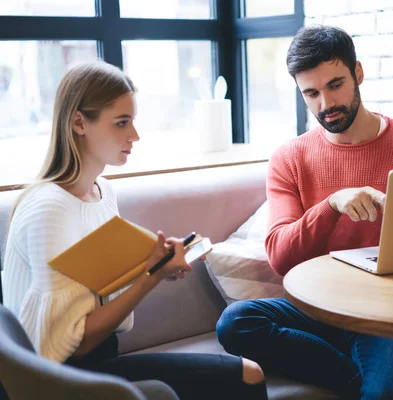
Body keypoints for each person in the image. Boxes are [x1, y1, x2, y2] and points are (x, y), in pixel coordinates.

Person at [1, 61, 267, 400]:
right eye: (121, 123)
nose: (134, 135)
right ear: (79, 123)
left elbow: (99, 284)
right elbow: (73, 344)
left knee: (248, 372)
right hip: (62, 380)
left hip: (98, 359)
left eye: (133, 121)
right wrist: (151, 275)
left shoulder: (102, 191)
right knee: (248, 375)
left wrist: (151, 262)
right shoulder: (49, 209)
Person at [216, 25, 393, 400]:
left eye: (335, 85)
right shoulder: (289, 158)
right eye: (311, 93)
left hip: (390, 313)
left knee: (388, 388)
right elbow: (279, 255)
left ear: (358, 73)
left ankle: (385, 382)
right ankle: (377, 383)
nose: (325, 104)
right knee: (236, 322)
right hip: (318, 308)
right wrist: (331, 205)